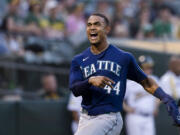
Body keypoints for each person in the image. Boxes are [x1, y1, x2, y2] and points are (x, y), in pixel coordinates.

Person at [69, 13, 180, 135]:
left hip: (109, 117)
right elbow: (75, 89)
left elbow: (146, 81)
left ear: (107, 29)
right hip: (85, 118)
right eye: (89, 25)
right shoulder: (79, 59)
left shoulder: (123, 57)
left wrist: (166, 98)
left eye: (97, 24)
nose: (92, 28)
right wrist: (90, 81)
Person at [123, 55, 160, 135]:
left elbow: (159, 96)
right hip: (135, 116)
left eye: (150, 67)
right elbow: (119, 99)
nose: (149, 69)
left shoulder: (154, 79)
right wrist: (126, 108)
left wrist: (156, 106)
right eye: (147, 67)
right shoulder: (130, 82)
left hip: (149, 117)